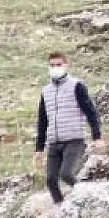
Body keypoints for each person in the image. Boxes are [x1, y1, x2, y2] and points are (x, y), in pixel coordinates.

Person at [34, 52, 104, 204]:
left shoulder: (77, 86)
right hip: (54, 142)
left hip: (74, 140)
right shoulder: (46, 91)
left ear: (66, 65)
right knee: (51, 180)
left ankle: (90, 197)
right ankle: (61, 208)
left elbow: (91, 112)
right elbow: (42, 121)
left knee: (66, 174)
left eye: (59, 65)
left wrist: (97, 137)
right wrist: (39, 149)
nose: (55, 68)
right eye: (52, 65)